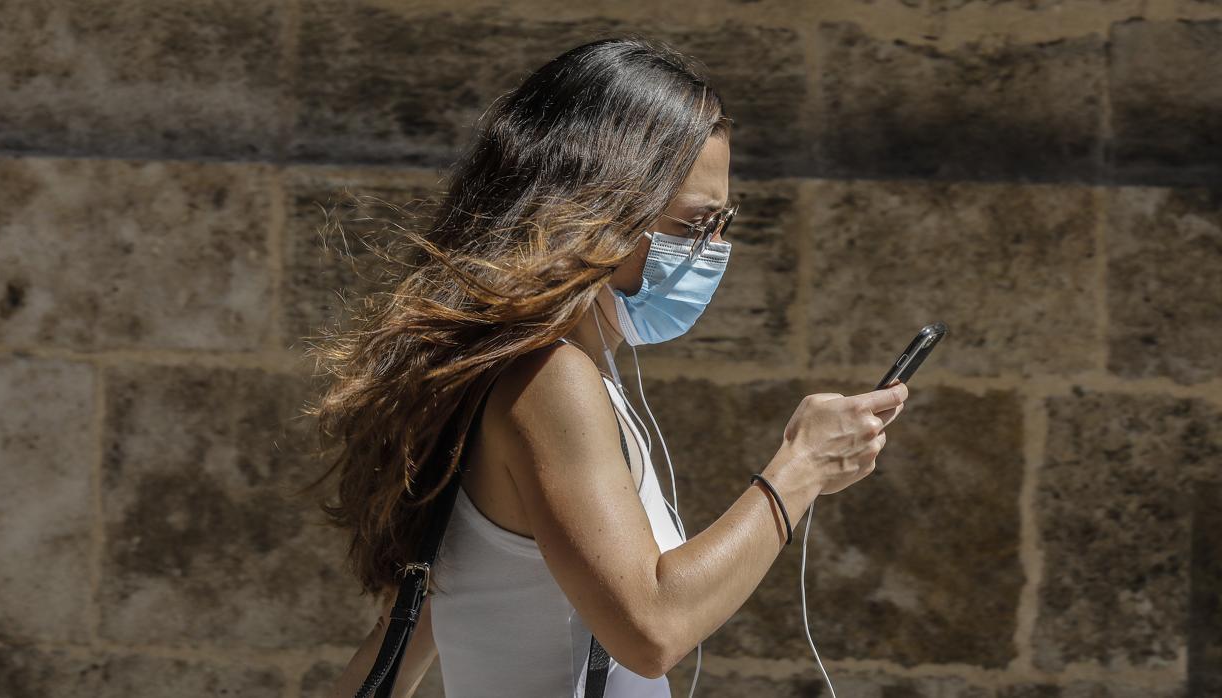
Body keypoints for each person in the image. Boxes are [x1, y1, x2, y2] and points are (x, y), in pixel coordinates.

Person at [310, 34, 909, 698]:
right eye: (697, 224)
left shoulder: (524, 373)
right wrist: (799, 468)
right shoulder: (549, 380)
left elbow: (421, 622)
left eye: (724, 223)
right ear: (600, 210)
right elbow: (651, 627)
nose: (713, 250)